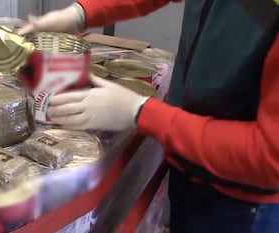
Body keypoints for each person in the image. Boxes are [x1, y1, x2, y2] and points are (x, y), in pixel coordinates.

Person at [19, 1, 279, 233]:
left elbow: (270, 157)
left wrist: (140, 112)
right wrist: (82, 12)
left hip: (242, 205)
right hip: (190, 165)